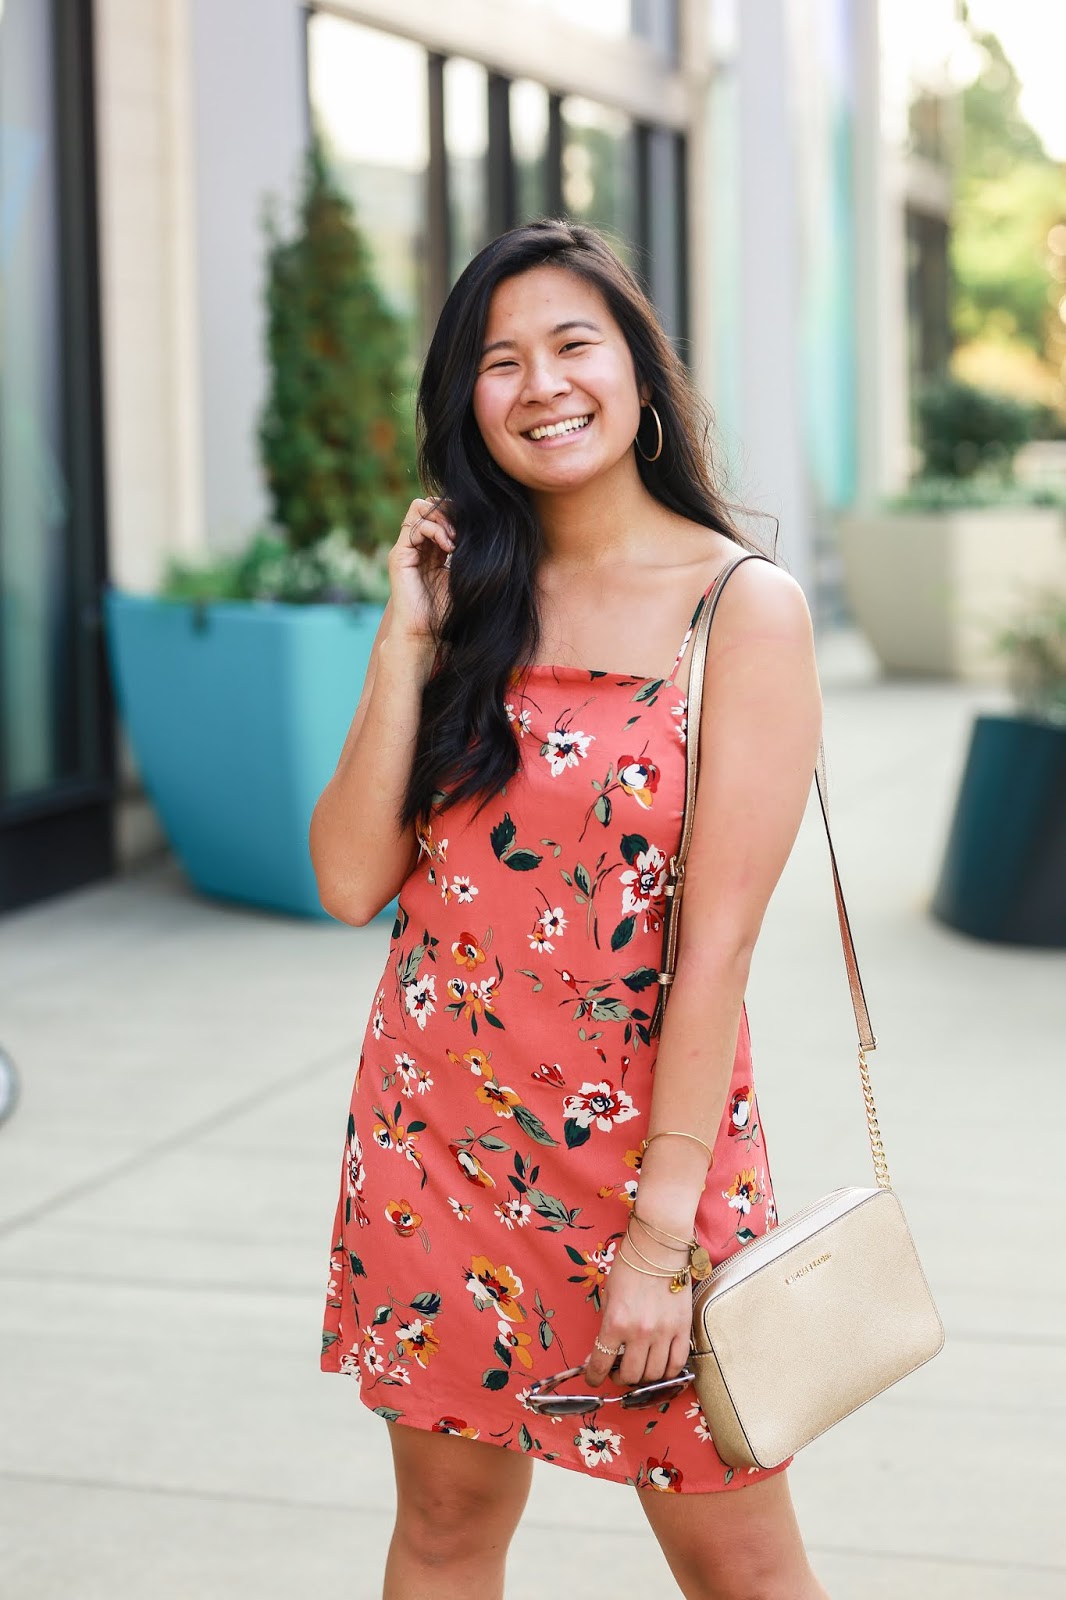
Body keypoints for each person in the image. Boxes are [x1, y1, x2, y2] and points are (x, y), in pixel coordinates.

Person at [311, 220, 826, 1600]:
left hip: (648, 1172)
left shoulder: (740, 610)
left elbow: (712, 953)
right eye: (499, 360)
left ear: (639, 379)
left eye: (571, 343)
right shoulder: (465, 599)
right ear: (465, 405)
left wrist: (661, 1243)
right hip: (435, 1143)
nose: (540, 382)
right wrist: (403, 642)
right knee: (441, 1535)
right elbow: (350, 878)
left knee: (740, 1571)